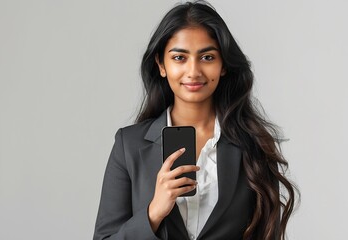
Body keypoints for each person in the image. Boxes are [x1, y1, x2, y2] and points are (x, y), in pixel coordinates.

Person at [93, 1, 297, 239]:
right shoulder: (129, 145)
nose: (193, 71)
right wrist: (153, 213)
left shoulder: (253, 144)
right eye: (179, 57)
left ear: (223, 65)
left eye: (207, 57)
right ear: (161, 64)